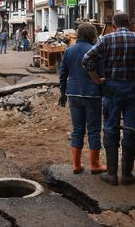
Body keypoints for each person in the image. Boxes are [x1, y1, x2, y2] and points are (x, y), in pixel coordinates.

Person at [82, 11, 135, 185]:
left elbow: (86, 60)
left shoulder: (106, 40)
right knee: (131, 128)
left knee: (111, 127)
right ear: (129, 23)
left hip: (112, 89)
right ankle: (127, 174)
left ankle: (112, 175)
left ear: (114, 25)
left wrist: (97, 79)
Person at [58, 23, 107, 175]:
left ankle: (76, 164)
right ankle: (94, 164)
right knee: (93, 129)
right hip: (92, 94)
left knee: (77, 129)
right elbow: (101, 72)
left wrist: (62, 93)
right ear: (92, 35)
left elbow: (63, 74)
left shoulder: (69, 51)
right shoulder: (96, 51)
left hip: (73, 93)